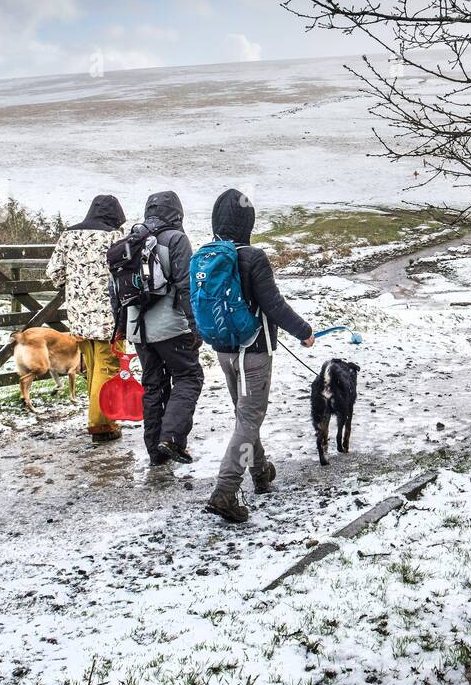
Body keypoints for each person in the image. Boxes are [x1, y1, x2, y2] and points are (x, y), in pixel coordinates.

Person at [205, 188, 314, 523]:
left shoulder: (208, 255)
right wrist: (304, 331)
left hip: (224, 351)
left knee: (246, 417)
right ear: (246, 222)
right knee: (249, 418)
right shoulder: (253, 257)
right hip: (254, 354)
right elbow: (274, 305)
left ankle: (261, 474)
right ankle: (225, 490)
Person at [112, 191, 204, 467]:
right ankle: (173, 438)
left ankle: (156, 451)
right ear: (177, 212)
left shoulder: (132, 241)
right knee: (189, 376)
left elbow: (115, 291)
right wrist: (195, 326)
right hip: (171, 328)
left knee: (153, 384)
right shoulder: (175, 239)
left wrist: (120, 328)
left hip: (138, 330)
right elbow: (187, 286)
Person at [45, 195, 127, 442]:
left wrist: (75, 282)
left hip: (80, 317)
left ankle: (103, 418)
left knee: (93, 367)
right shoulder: (114, 237)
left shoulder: (68, 235)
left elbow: (54, 272)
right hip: (108, 317)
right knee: (108, 368)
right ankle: (102, 425)